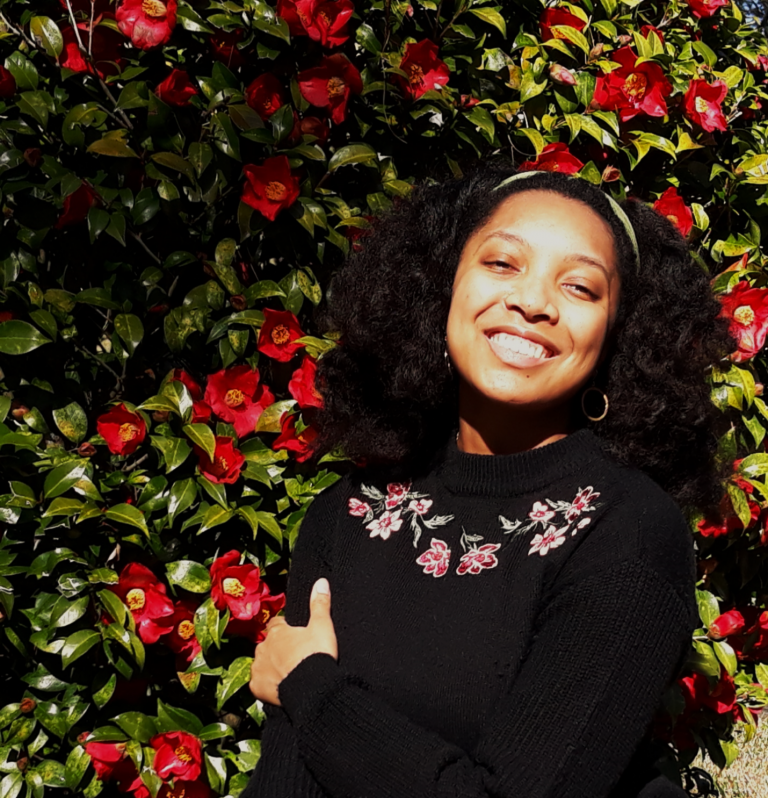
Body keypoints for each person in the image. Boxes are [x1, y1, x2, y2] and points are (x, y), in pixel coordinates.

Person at [243, 166, 733, 798]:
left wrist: (311, 689)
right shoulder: (346, 516)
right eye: (503, 264)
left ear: (618, 339)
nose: (533, 302)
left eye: (581, 287)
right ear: (440, 287)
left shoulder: (626, 536)